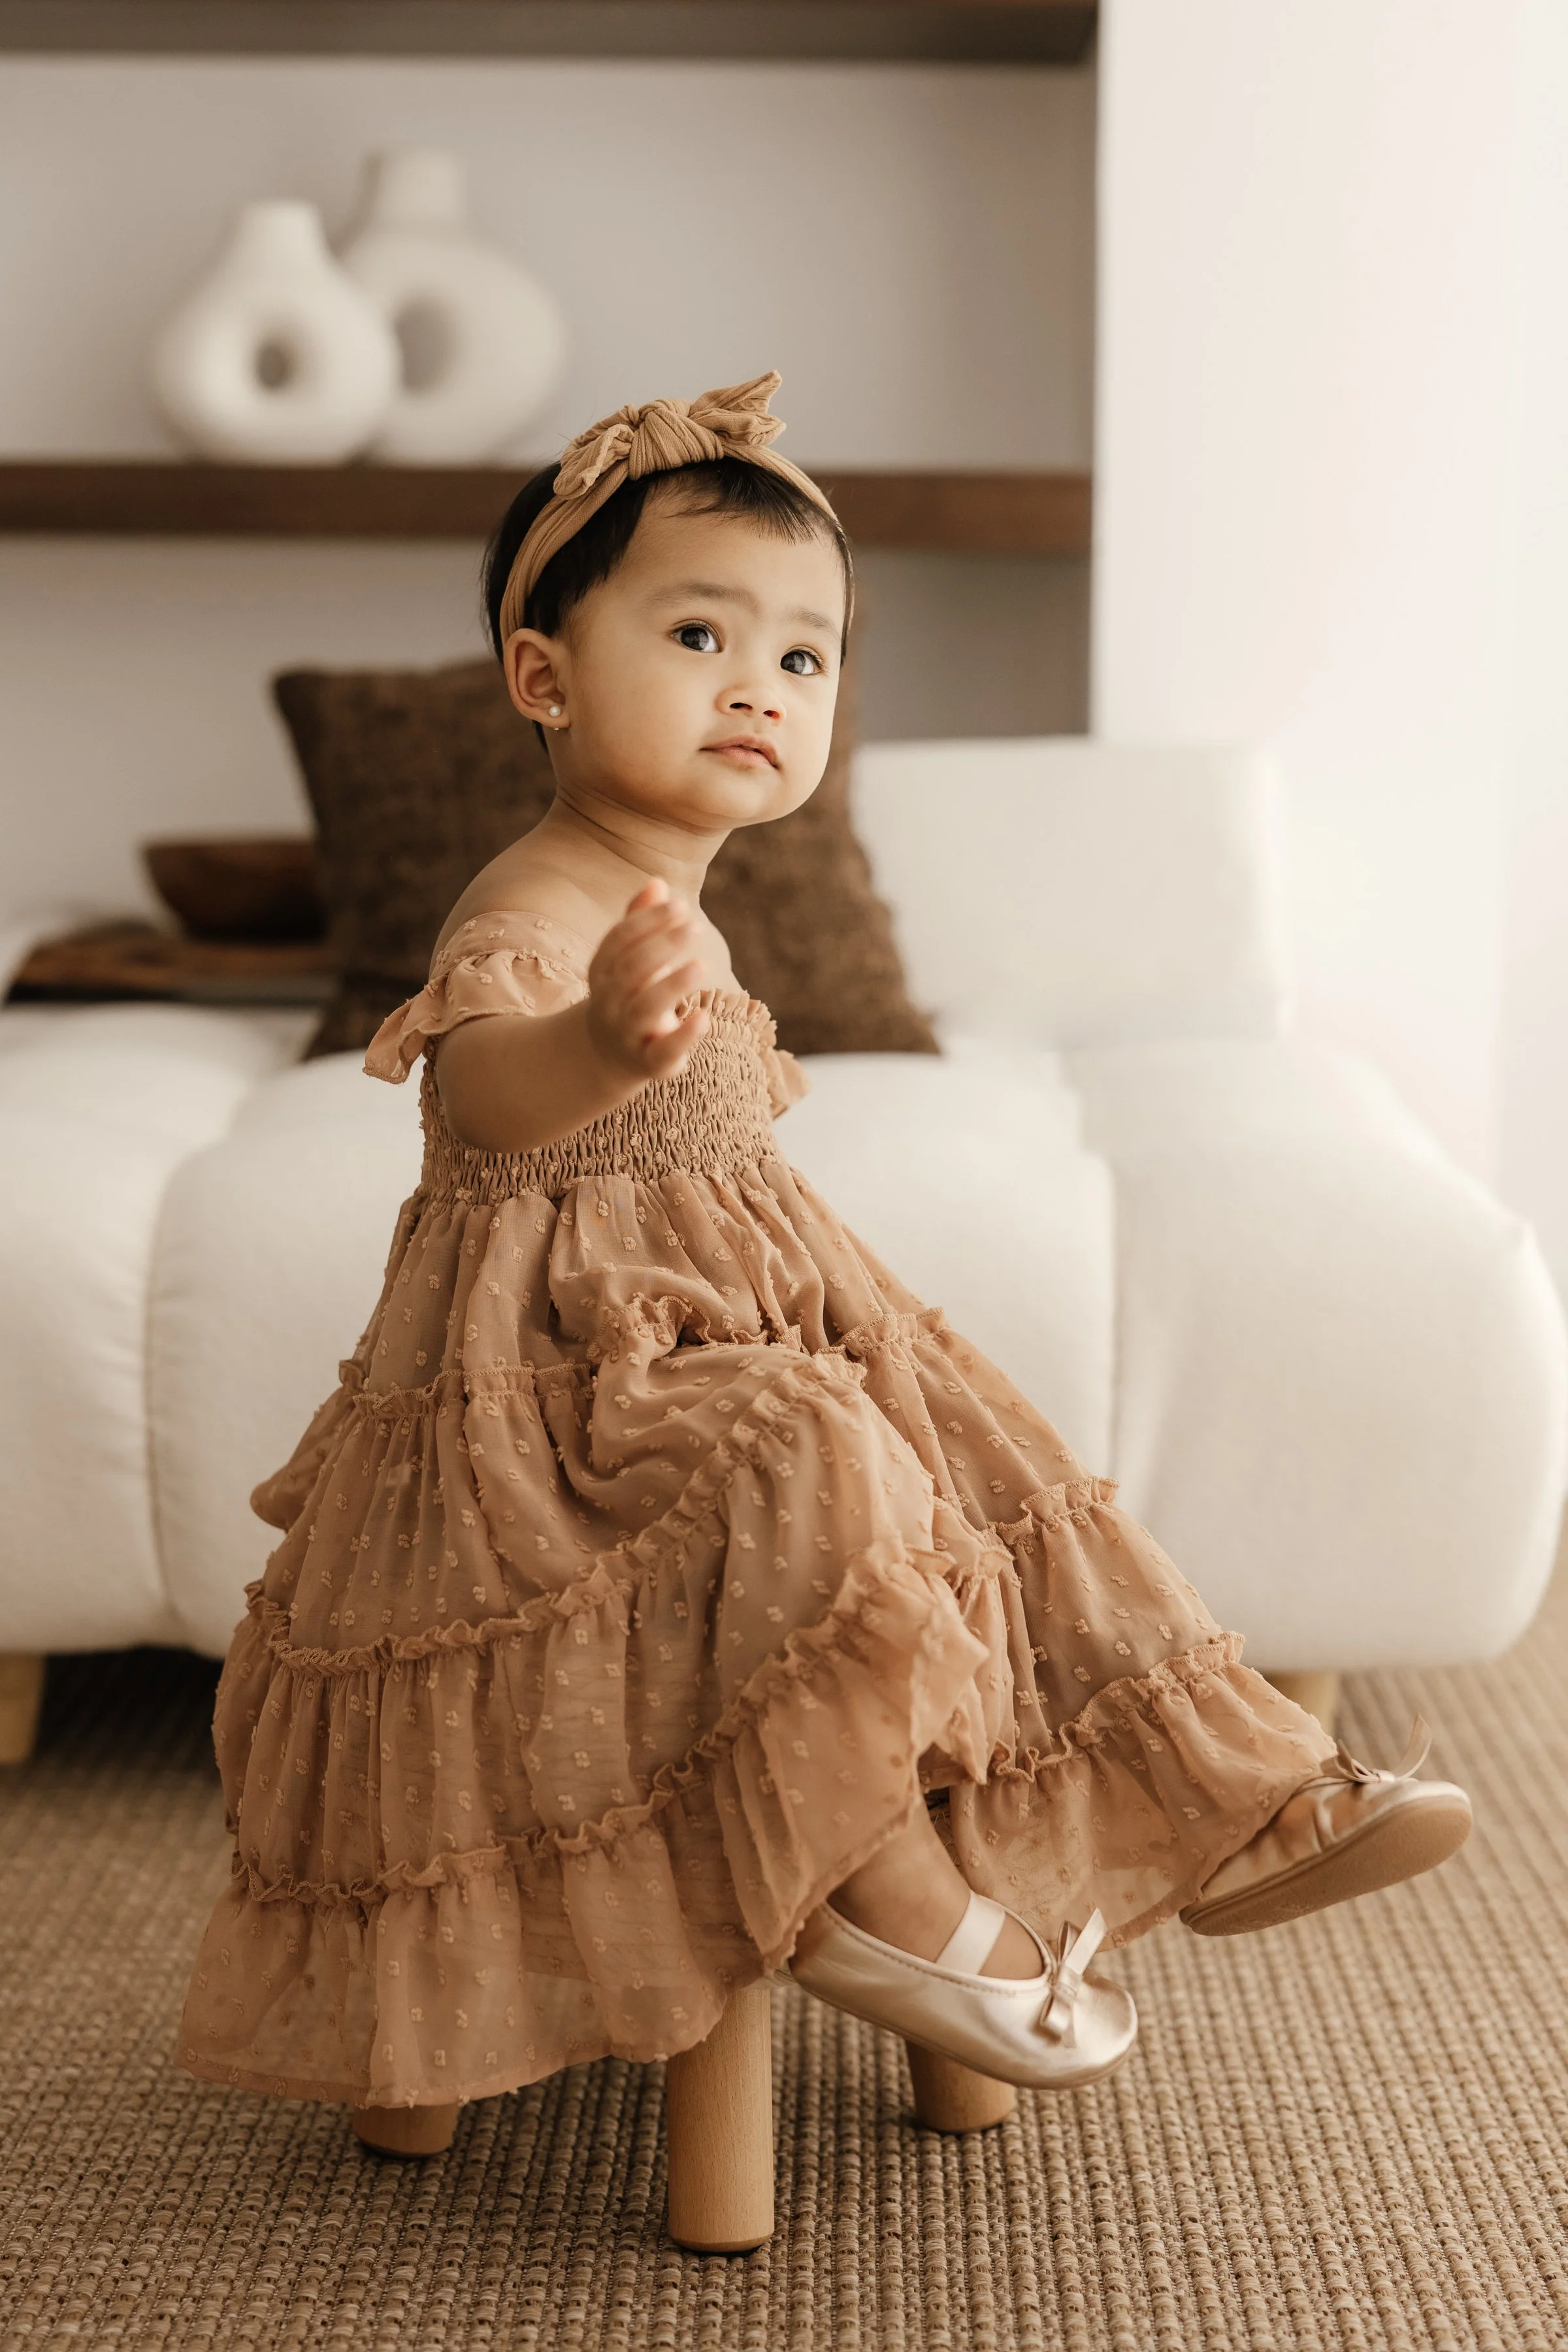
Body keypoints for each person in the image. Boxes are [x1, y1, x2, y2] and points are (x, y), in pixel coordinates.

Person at [178, 375, 1471, 2151]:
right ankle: (901, 1912)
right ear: (543, 676)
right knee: (809, 1456)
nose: (757, 687)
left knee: (997, 1464)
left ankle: (1240, 1797)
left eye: (804, 659)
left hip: (713, 1314)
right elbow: (487, 1090)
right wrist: (604, 1045)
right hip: (558, 1418)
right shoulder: (537, 906)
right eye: (700, 631)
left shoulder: (676, 890)